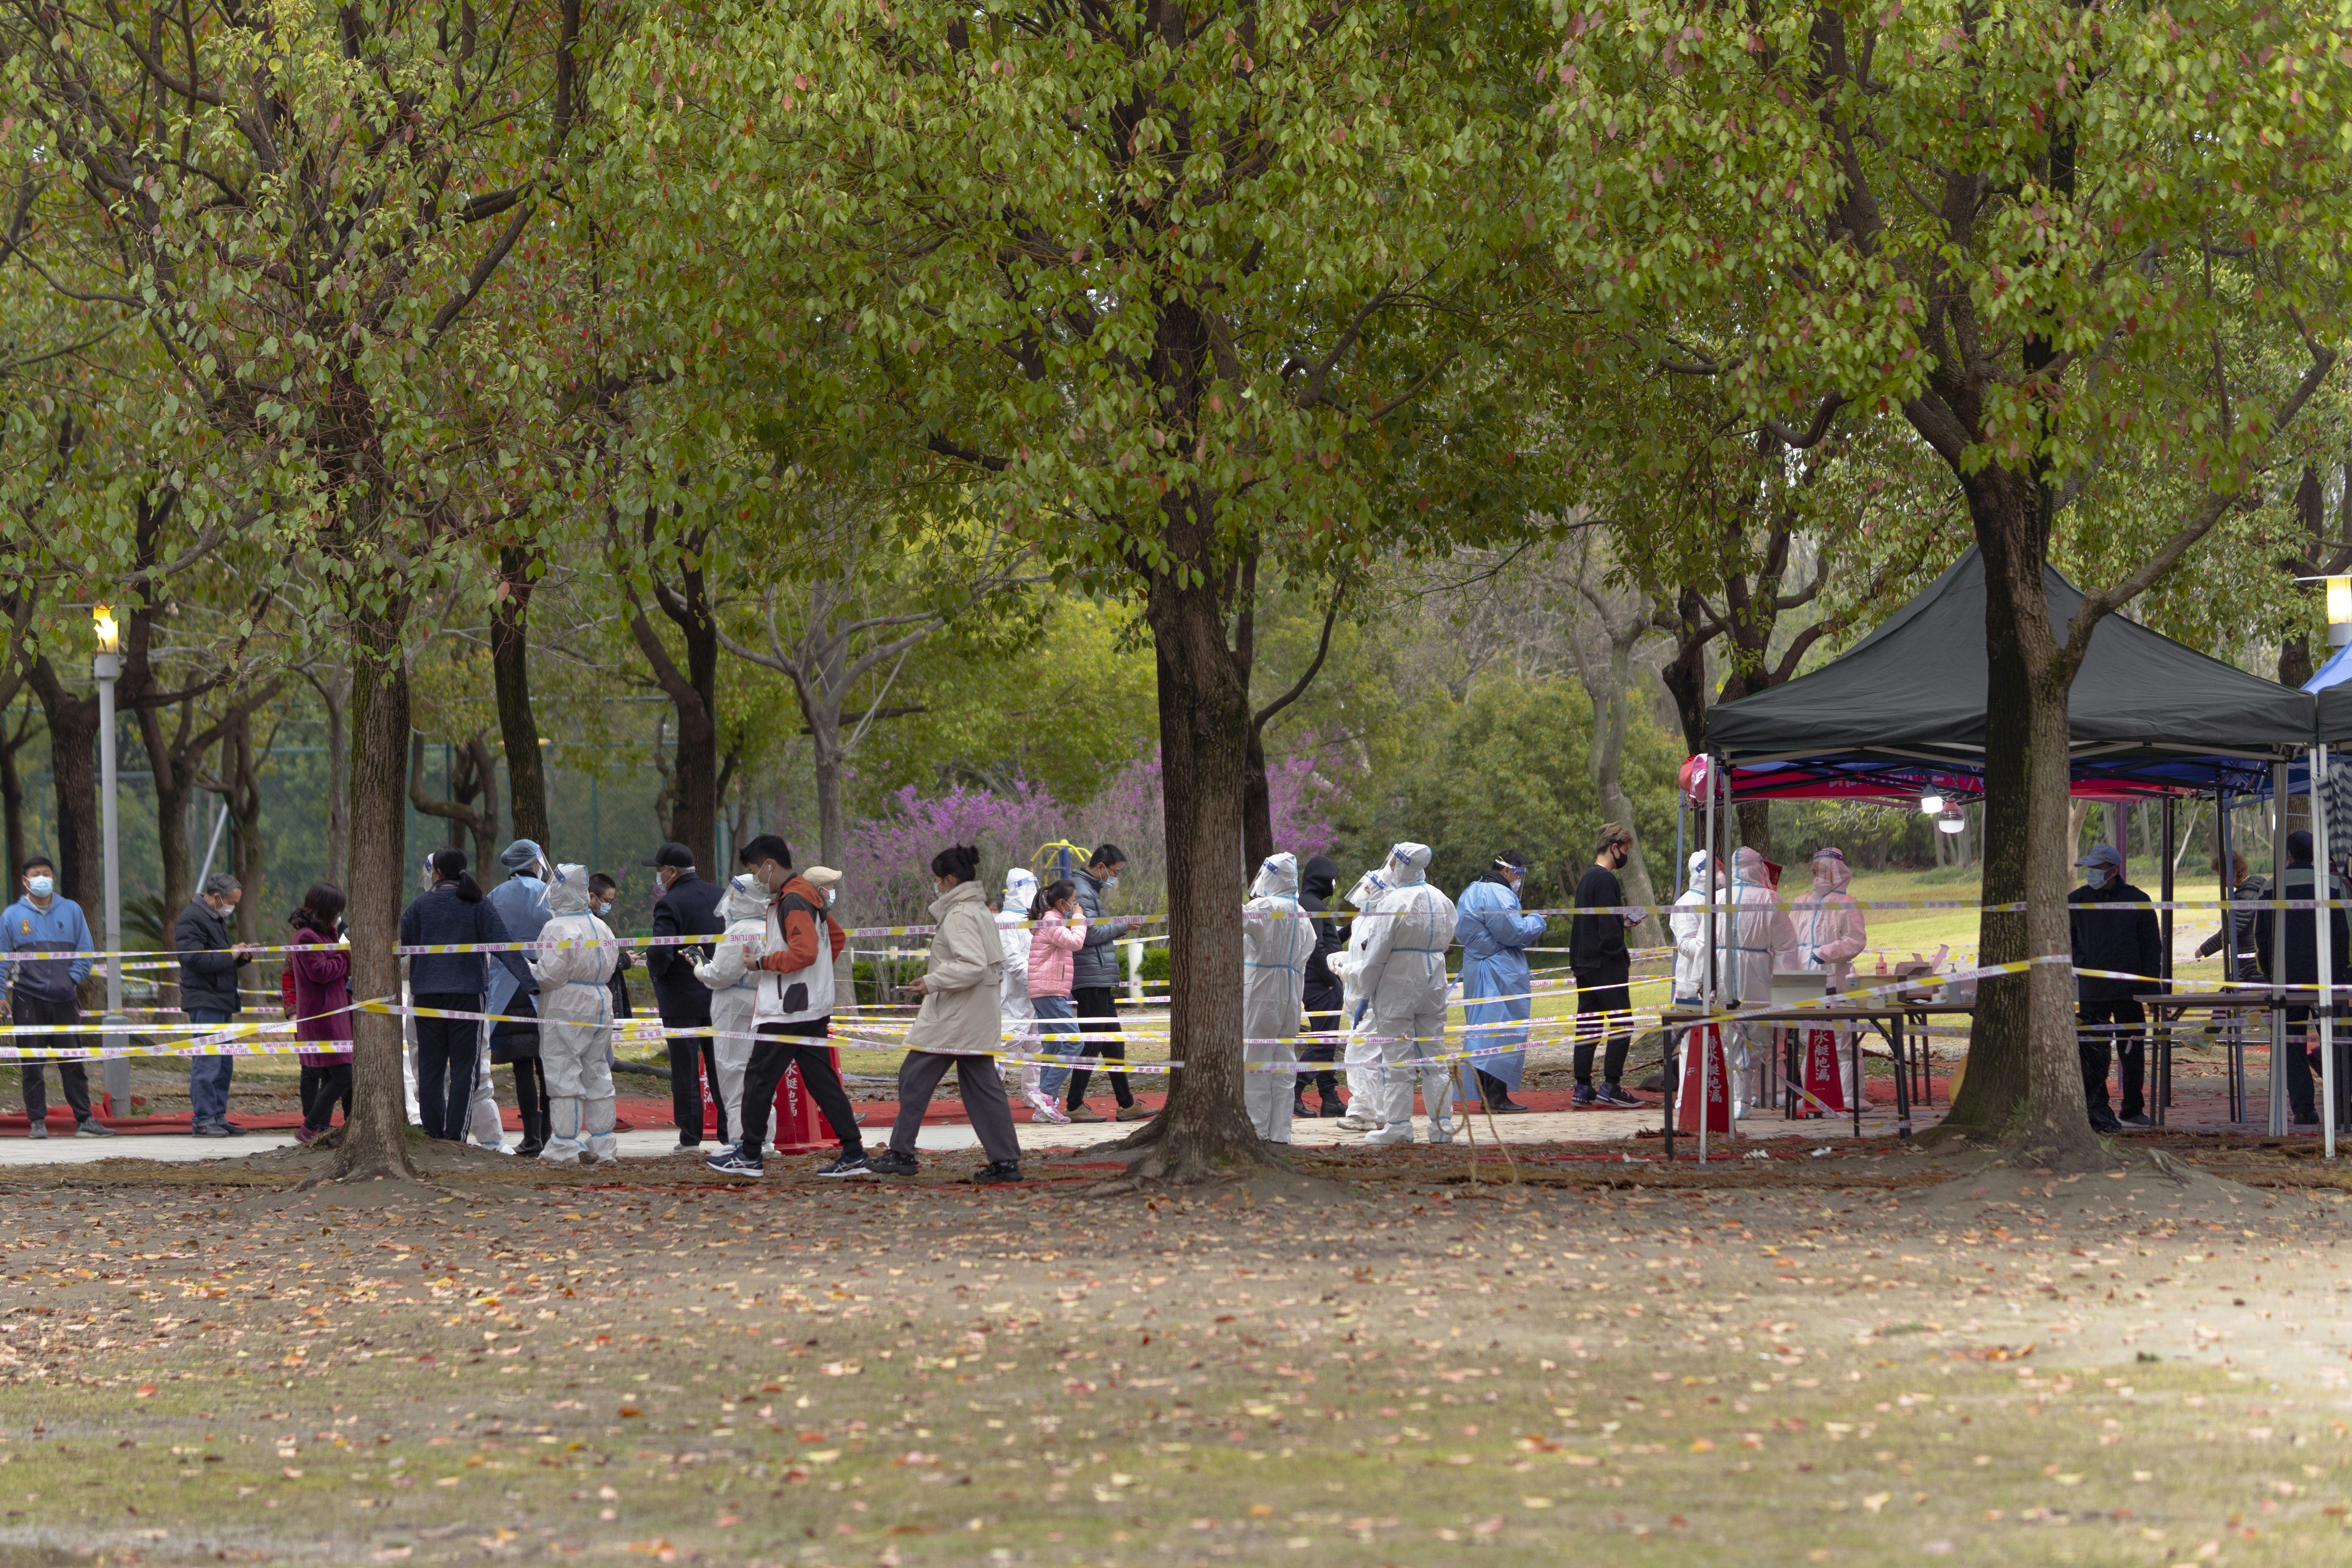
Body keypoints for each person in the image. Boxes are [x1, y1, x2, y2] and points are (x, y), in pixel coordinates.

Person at [706, 836, 868, 1177]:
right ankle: (853, 1152)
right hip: (810, 1006)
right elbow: (834, 940)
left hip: (787, 1008)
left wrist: (763, 962)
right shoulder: (805, 896)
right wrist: (817, 980)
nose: (757, 878)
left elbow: (805, 953)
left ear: (769, 865)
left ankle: (750, 1153)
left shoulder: (793, 899)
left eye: (755, 870)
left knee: (758, 1077)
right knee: (821, 1080)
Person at [869, 845, 1025, 1183]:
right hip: (974, 1013)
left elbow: (970, 964)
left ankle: (902, 1153)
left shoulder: (959, 914)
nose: (936, 886)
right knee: (984, 1089)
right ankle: (1005, 1161)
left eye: (938, 880)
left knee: (913, 1077)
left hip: (956, 1014)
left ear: (950, 879)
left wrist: (931, 981)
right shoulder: (977, 909)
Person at [398, 849, 536, 1141]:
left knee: (430, 1070)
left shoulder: (418, 906)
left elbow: (398, 948)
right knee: (465, 1071)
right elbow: (504, 945)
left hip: (426, 999)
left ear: (435, 872)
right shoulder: (478, 904)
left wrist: (353, 986)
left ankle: (433, 1135)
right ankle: (456, 1136)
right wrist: (528, 981)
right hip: (468, 998)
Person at [1356, 842, 1458, 1147]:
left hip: (1398, 983)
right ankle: (1442, 1126)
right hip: (1434, 978)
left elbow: (1375, 953)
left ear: (1400, 864)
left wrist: (1364, 992)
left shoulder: (1393, 901)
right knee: (1434, 1057)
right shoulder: (1441, 899)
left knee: (1396, 1060)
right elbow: (1449, 935)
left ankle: (1398, 1126)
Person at [0, 855, 108, 1139]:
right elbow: (2, 960)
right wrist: (1, 993)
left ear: (53, 877)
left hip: (65, 1000)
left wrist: (69, 981)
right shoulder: (11, 916)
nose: (42, 878)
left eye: (46, 873)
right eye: (36, 874)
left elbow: (85, 953)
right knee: (32, 1065)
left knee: (72, 1062)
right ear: (25, 881)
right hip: (26, 999)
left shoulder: (72, 910)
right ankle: (37, 1122)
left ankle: (85, 1120)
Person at [2066, 842, 2164, 1132]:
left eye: (2096, 868)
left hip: (2128, 991)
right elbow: (2066, 941)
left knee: (2132, 1051)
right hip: (2092, 990)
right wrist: (2081, 963)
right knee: (2091, 1053)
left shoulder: (2138, 899)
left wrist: (2150, 988)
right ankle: (2096, 1109)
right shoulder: (2076, 900)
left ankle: (2133, 1109)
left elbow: (2151, 947)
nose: (2091, 874)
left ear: (2113, 869)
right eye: (2088, 869)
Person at [2255, 831, 2349, 1129]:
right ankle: (2343, 1107)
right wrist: (2343, 972)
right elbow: (2345, 931)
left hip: (2286, 979)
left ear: (2288, 856)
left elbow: (2262, 938)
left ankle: (2304, 1110)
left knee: (2291, 1043)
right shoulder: (2334, 884)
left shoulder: (2270, 887)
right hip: (2329, 979)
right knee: (2337, 1042)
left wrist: (2268, 975)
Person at [529, 865, 622, 1165]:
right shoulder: (601, 926)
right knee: (596, 1072)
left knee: (563, 1073)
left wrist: (525, 969)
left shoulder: (557, 928)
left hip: (565, 1004)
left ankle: (566, 1144)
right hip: (600, 1002)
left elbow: (550, 976)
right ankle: (604, 1143)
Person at [644, 842, 728, 1150]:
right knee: (722, 1066)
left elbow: (661, 950)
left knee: (685, 1069)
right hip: (719, 993)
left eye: (659, 870)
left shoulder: (670, 903)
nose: (658, 876)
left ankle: (690, 1136)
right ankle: (729, 1133)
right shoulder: (721, 895)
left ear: (672, 871)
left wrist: (658, 975)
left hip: (680, 999)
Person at [1455, 851, 1547, 1115]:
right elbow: (1513, 932)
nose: (1519, 879)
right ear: (1507, 871)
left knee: (1483, 1032)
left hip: (1478, 969)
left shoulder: (1470, 892)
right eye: (1518, 874)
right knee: (1503, 1031)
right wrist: (1537, 921)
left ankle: (1488, 1096)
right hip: (1499, 971)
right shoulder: (1498, 893)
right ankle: (1496, 1097)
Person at [1065, 845, 1146, 1122]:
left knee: (1113, 1042)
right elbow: (1090, 935)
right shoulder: (1083, 891)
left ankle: (1127, 1104)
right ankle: (1073, 1105)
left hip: (1098, 976)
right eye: (1115, 872)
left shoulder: (1088, 890)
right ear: (1101, 867)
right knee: (1093, 1041)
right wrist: (1122, 924)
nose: (1115, 877)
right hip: (1090, 977)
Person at [1240, 852, 1317, 1143]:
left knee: (1255, 1062)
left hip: (1261, 990)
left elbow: (1232, 923)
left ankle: (1256, 1131)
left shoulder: (1263, 906)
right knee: (1284, 1064)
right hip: (1291, 992)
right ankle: (1281, 1132)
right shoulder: (1302, 915)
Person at [694, 873, 771, 1153]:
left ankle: (742, 1140)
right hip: (761, 1003)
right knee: (759, 1072)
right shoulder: (769, 926)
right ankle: (763, 1138)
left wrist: (700, 969)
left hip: (735, 1006)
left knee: (734, 1070)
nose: (729, 899)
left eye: (735, 894)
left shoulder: (739, 932)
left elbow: (722, 974)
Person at [1569, 825, 1645, 1108]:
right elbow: (1605, 929)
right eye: (1625, 850)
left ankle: (1582, 1087)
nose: (1625, 855)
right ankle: (1611, 1085)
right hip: (1605, 964)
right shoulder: (1606, 881)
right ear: (1614, 847)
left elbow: (1594, 922)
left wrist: (1622, 922)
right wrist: (1620, 954)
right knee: (1623, 1024)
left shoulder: (1587, 879)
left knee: (1589, 1024)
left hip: (1584, 963)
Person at [1789, 847, 1869, 1107]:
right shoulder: (1801, 902)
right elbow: (1788, 940)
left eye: (1822, 871)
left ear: (1836, 872)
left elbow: (1856, 940)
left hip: (1835, 981)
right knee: (1808, 1039)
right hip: (1804, 982)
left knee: (1842, 1041)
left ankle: (1850, 1096)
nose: (1816, 876)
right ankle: (1813, 1093)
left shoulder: (1848, 904)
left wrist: (1826, 952)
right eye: (1814, 871)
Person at [177, 871, 255, 1137]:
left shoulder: (214, 918)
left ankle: (218, 1115)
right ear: (217, 897)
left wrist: (240, 956)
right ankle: (203, 1119)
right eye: (231, 901)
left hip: (221, 998)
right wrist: (229, 955)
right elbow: (194, 960)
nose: (233, 908)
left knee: (223, 1063)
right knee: (208, 1061)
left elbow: (220, 957)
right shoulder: (192, 918)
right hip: (204, 998)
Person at [1722, 845, 1796, 1118]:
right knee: (1759, 1035)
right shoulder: (1770, 900)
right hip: (1756, 973)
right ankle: (1739, 1098)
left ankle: (1738, 1096)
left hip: (1724, 973)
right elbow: (1787, 948)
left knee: (1732, 1036)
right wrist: (1788, 992)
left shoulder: (1716, 898)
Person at [286, 884, 352, 1144]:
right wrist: (346, 957)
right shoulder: (305, 937)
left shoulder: (325, 935)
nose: (340, 915)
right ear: (327, 909)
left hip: (335, 1012)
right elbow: (321, 972)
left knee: (330, 1075)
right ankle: (309, 1127)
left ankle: (321, 1128)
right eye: (337, 910)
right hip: (322, 1016)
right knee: (344, 1076)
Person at [1328, 863, 1390, 1133]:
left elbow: (1372, 965)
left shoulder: (1381, 920)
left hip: (1372, 999)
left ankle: (1363, 1113)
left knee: (1360, 1055)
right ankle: (1378, 1113)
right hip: (1356, 998)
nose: (1362, 893)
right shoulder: (1362, 919)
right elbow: (1358, 957)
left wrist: (1345, 971)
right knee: (1369, 1056)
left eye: (1367, 889)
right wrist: (1340, 958)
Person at [1027, 879, 1087, 1115]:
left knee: (1052, 1046)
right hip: (1049, 991)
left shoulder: (1050, 919)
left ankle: (1044, 1107)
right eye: (1073, 903)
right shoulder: (1052, 921)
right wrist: (1079, 920)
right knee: (1075, 1041)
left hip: (1045, 991)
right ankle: (1046, 1092)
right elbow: (1075, 942)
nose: (1075, 906)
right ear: (1062, 903)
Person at [995, 866, 1050, 1120]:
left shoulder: (1032, 920)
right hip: (1011, 997)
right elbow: (1012, 961)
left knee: (1037, 1047)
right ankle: (989, 1097)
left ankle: (1032, 1094)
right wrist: (1039, 981)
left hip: (1035, 995)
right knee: (1005, 1047)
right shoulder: (1003, 921)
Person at [1294, 855, 1347, 1118]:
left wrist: (1350, 928)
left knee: (1326, 1041)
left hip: (1315, 983)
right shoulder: (1312, 904)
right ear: (1323, 879)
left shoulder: (1308, 903)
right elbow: (1316, 947)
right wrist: (1330, 980)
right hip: (1322, 985)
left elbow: (1328, 939)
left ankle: (1330, 1099)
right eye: (1333, 878)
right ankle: (1295, 1089)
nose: (1334, 884)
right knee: (1324, 1043)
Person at [2196, 851, 2265, 975]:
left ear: (2233, 873)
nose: (2221, 880)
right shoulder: (2256, 889)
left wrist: (2203, 950)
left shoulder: (2244, 898)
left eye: (2221, 875)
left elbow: (2229, 933)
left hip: (2250, 966)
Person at [589, 872, 636, 1030]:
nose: (610, 904)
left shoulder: (598, 921)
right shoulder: (590, 924)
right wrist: (624, 960)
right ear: (592, 896)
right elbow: (598, 962)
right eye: (608, 901)